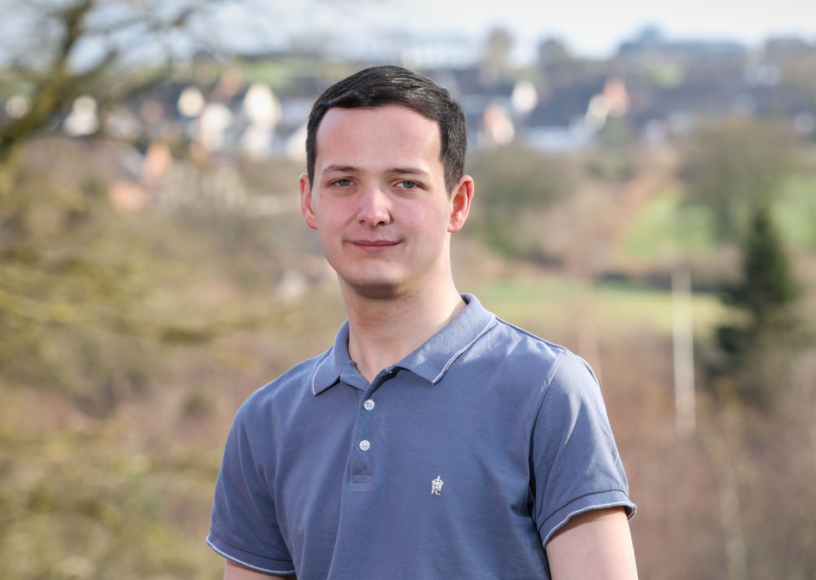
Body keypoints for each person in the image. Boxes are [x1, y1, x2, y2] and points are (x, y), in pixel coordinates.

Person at [207, 66, 638, 580]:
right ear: (308, 200)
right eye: (344, 182)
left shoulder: (546, 393)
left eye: (405, 183)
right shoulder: (266, 424)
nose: (373, 210)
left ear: (457, 203)